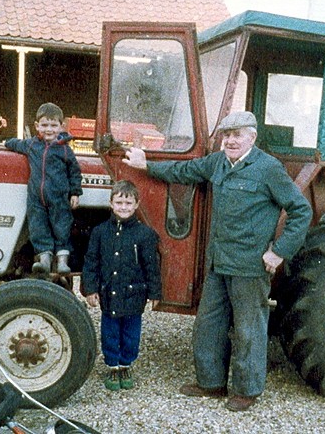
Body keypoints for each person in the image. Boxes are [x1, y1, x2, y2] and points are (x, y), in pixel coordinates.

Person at [122, 111, 312, 411]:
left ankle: (247, 390)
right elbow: (185, 172)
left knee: (248, 329)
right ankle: (211, 383)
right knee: (208, 324)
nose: (231, 140)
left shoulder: (268, 168)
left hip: (250, 267)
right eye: (227, 135)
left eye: (237, 135)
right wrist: (146, 164)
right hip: (219, 263)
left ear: (252, 137)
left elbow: (301, 210)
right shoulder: (218, 162)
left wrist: (279, 251)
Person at [82, 180, 162, 391]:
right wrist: (90, 289)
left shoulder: (144, 234)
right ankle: (112, 366)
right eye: (119, 203)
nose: (123, 207)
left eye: (128, 203)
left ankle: (125, 364)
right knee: (109, 331)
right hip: (109, 293)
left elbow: (151, 266)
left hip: (134, 295)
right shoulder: (100, 232)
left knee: (130, 334)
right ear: (111, 204)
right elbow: (91, 262)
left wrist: (154, 293)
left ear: (136, 205)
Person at [4, 102, 82, 274]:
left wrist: (75, 192)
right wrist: (7, 142)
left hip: (59, 197)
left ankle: (62, 260)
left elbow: (75, 172)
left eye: (53, 125)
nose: (49, 129)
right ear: (37, 126)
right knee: (38, 226)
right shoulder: (32, 145)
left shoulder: (65, 150)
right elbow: (17, 144)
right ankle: (44, 259)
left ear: (61, 127)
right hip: (36, 198)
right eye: (45, 125)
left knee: (62, 226)